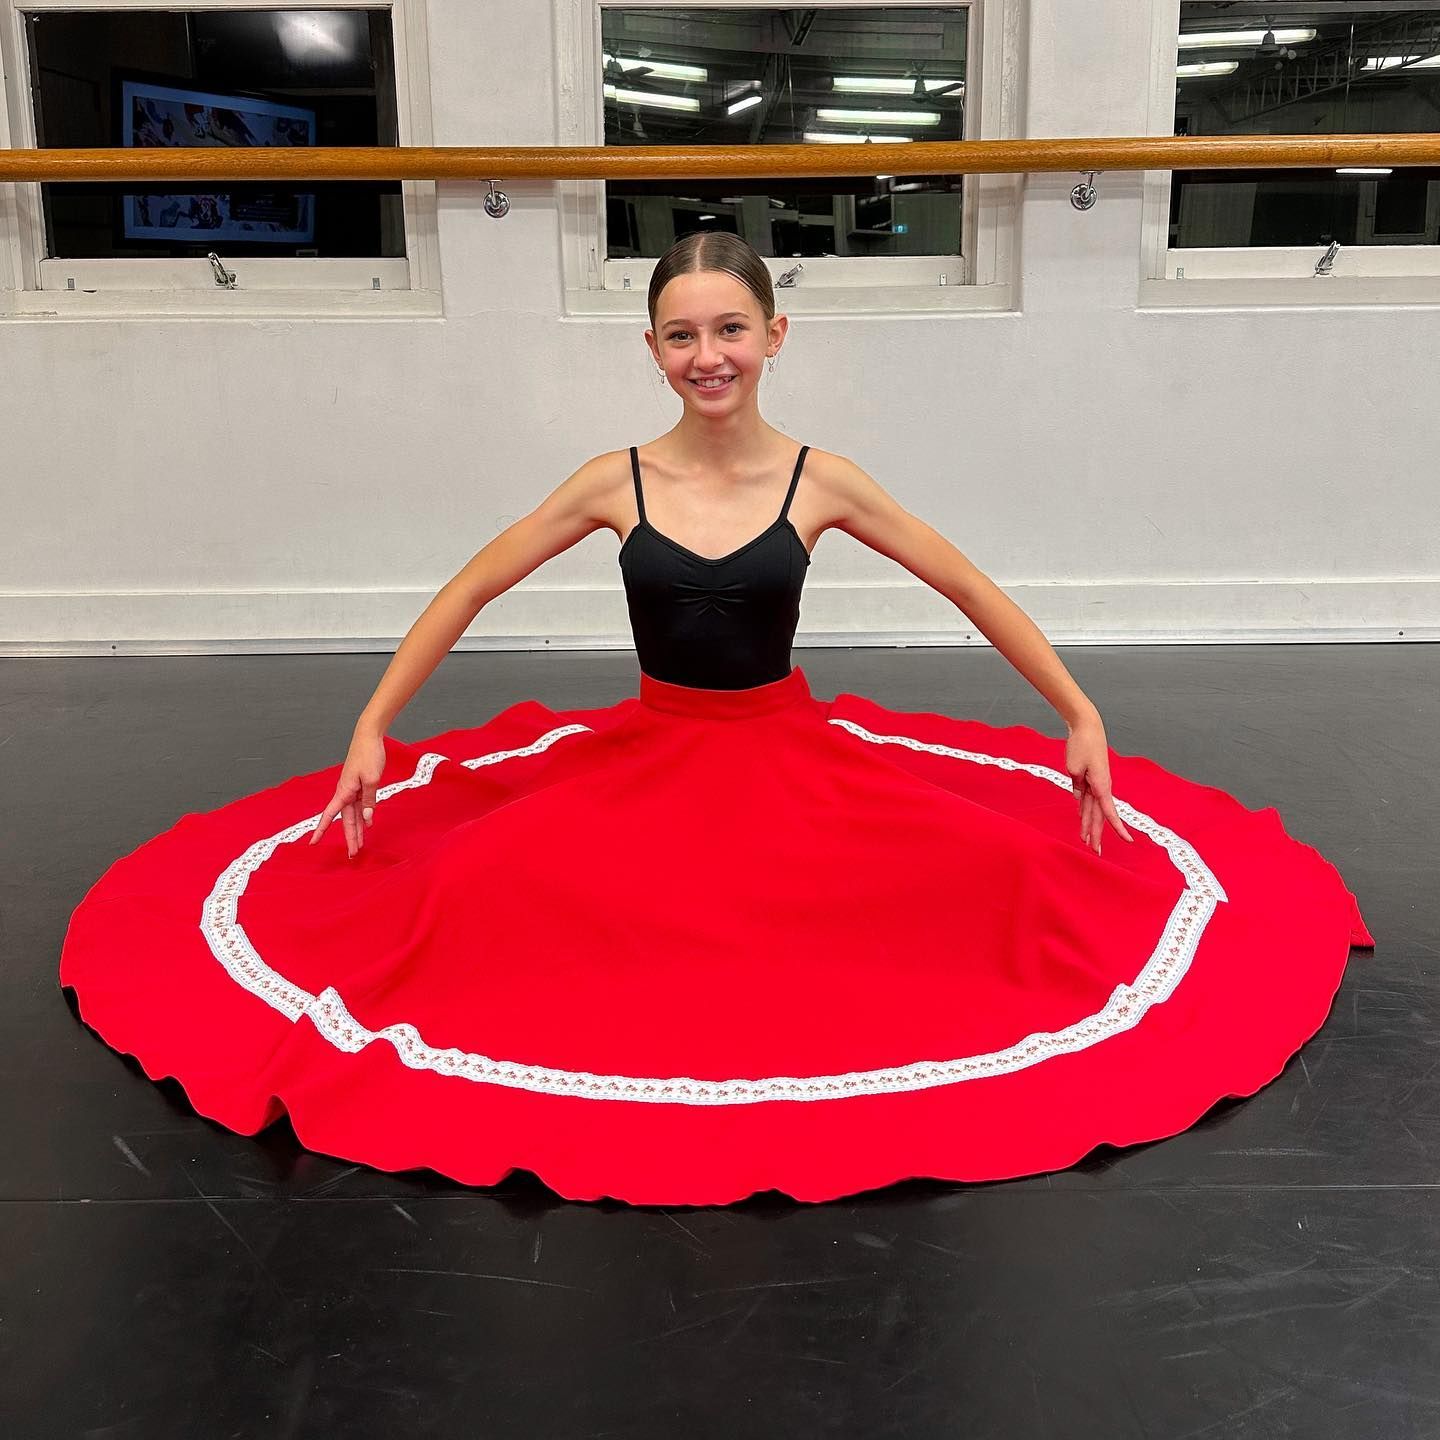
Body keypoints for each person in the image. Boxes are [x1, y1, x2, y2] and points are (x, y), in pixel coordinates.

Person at [60, 232, 1374, 1207]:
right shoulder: (610, 480)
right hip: (647, 755)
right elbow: (468, 586)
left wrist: (1079, 709)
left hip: (788, 757)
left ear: (775, 337)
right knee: (464, 881)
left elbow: (966, 581)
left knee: (1015, 869)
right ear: (651, 351)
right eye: (683, 335)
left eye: (731, 328)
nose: (709, 356)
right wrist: (372, 727)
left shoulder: (822, 479)